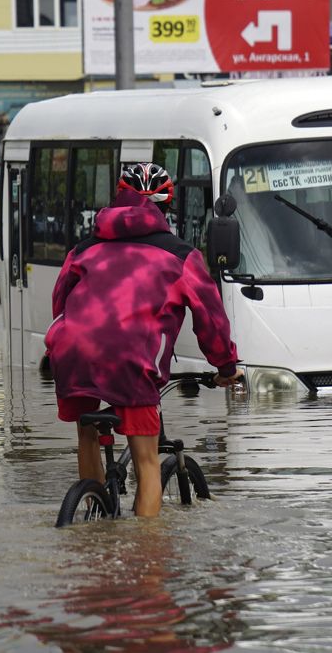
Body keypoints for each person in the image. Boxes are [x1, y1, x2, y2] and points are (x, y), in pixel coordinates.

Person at [45, 162, 243, 518]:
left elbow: (59, 302)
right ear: (165, 209)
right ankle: (145, 553)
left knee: (87, 433)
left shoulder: (82, 250)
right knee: (147, 461)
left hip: (73, 353)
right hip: (133, 362)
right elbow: (211, 320)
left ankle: (92, 512)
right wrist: (226, 366)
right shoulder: (181, 256)